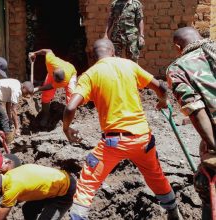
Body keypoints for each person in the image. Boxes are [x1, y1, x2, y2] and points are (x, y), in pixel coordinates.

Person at [63, 39, 181, 219]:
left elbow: (70, 107)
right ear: (112, 51)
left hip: (114, 142)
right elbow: (161, 87)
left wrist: (66, 128)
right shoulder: (129, 65)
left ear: (93, 56)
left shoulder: (90, 75)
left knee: (88, 181)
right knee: (155, 175)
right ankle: (173, 211)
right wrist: (163, 102)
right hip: (143, 139)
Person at [166, 27, 216, 219]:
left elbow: (195, 109)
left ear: (177, 47)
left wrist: (213, 147)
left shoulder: (179, 68)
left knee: (205, 182)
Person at [0, 164, 76, 220]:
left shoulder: (12, 189)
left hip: (65, 191)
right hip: (55, 184)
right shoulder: (9, 174)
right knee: (28, 208)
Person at [28, 49, 77, 127]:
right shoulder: (50, 61)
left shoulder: (64, 80)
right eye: (56, 81)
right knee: (46, 95)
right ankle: (46, 114)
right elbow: (48, 51)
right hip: (54, 73)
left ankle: (69, 117)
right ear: (53, 74)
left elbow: (50, 86)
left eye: (58, 82)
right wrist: (35, 53)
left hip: (71, 74)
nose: (57, 83)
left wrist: (37, 89)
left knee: (71, 97)